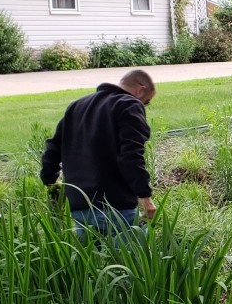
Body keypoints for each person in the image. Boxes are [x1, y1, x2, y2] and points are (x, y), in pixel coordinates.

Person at [40, 69, 157, 239]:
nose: (143, 106)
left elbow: (53, 148)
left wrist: (50, 182)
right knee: (129, 261)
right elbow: (131, 155)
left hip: (79, 205)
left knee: (91, 262)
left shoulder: (77, 106)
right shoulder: (129, 104)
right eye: (145, 102)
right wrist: (145, 196)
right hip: (116, 205)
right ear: (140, 89)